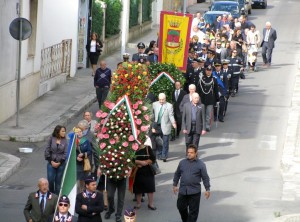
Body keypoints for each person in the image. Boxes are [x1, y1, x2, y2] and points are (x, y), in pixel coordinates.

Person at [173, 144, 211, 222]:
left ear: (196, 153)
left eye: (191, 152)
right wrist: (174, 184)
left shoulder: (201, 164)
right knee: (180, 206)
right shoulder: (182, 162)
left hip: (194, 192)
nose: (189, 154)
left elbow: (205, 177)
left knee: (193, 213)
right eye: (188, 152)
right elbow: (177, 174)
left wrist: (207, 189)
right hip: (183, 190)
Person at [152, 93, 176, 162]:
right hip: (158, 126)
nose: (161, 101)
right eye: (160, 99)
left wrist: (173, 123)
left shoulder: (169, 106)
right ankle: (159, 154)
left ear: (165, 99)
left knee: (165, 142)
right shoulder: (155, 104)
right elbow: (153, 115)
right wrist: (153, 126)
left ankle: (164, 156)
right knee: (158, 141)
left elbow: (171, 115)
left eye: (163, 99)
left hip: (166, 126)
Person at [44, 125, 68, 195]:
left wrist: (60, 162)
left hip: (61, 164)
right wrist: (51, 161)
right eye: (62, 131)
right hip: (51, 162)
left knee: (58, 182)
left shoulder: (65, 140)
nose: (64, 133)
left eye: (64, 131)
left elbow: (65, 153)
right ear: (58, 132)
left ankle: (57, 197)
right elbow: (47, 150)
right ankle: (51, 193)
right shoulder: (51, 138)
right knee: (50, 180)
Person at [133, 145, 156, 210]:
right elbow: (130, 159)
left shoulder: (147, 148)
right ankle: (138, 203)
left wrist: (145, 162)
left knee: (150, 187)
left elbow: (153, 158)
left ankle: (150, 204)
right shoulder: (133, 147)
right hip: (137, 171)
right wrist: (139, 162)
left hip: (148, 170)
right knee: (138, 188)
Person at [199, 65, 219, 133]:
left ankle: (207, 126)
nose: (208, 72)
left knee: (208, 114)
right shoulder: (202, 79)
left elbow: (216, 90)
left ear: (211, 71)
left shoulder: (214, 79)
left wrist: (217, 100)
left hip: (210, 99)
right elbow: (199, 90)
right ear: (205, 71)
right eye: (207, 70)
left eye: (210, 71)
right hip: (202, 99)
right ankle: (202, 126)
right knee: (202, 114)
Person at [74, 125, 92, 192]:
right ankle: (80, 191)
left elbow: (89, 151)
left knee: (84, 177)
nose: (79, 133)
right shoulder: (73, 142)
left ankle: (84, 190)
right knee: (79, 177)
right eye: (77, 132)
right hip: (76, 162)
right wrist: (76, 157)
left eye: (80, 131)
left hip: (84, 161)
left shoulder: (86, 141)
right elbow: (71, 152)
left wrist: (83, 154)